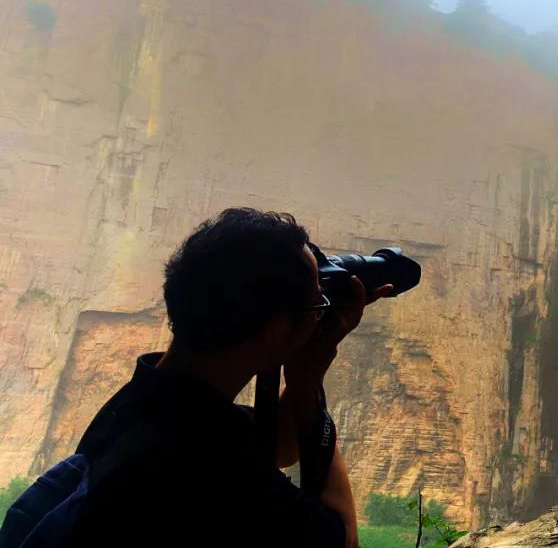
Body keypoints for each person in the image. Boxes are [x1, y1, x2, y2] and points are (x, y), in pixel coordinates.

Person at [67, 208, 391, 548]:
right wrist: (307, 382)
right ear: (276, 330)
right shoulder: (206, 467)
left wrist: (301, 379)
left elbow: (276, 448)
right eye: (316, 306)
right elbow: (343, 538)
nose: (320, 317)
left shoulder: (148, 401)